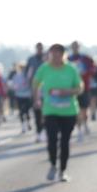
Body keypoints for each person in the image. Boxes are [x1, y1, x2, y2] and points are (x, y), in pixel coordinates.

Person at [32, 43, 82, 182]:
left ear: (63, 55)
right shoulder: (44, 68)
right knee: (52, 139)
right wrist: (37, 99)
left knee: (65, 141)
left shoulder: (71, 69)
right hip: (50, 110)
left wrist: (67, 92)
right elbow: (35, 84)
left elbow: (79, 88)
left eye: (58, 53)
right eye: (53, 53)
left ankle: (63, 170)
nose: (55, 56)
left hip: (69, 111)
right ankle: (53, 165)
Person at [67, 41, 96, 142]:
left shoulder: (86, 58)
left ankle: (85, 123)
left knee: (84, 110)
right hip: (72, 89)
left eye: (76, 46)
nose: (75, 48)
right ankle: (79, 130)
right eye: (73, 46)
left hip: (85, 88)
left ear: (79, 47)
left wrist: (86, 73)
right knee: (76, 111)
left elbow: (93, 69)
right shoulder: (68, 59)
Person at [25, 42, 46, 143]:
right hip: (35, 89)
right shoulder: (31, 59)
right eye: (38, 48)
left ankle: (46, 130)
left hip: (47, 90)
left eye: (41, 48)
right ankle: (38, 132)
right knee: (37, 111)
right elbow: (27, 73)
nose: (39, 50)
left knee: (46, 112)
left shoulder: (47, 58)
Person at [9, 61, 33, 133]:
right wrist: (17, 87)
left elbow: (31, 84)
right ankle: (23, 126)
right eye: (21, 68)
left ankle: (28, 123)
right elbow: (14, 85)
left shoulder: (28, 75)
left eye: (24, 68)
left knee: (27, 111)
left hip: (27, 95)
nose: (23, 69)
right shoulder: (16, 76)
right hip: (19, 95)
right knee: (21, 111)